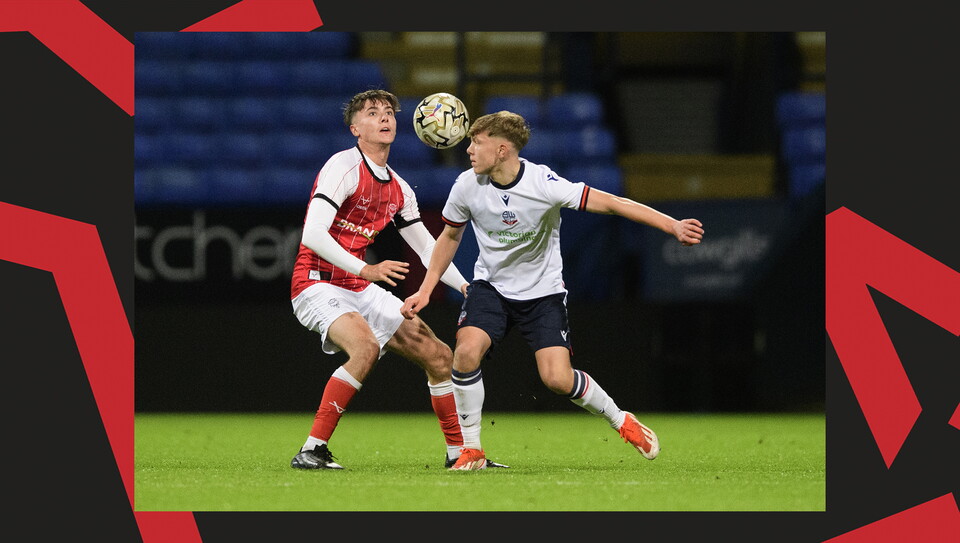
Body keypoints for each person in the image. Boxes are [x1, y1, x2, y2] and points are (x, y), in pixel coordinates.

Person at [400, 110, 705, 470]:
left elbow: (612, 203)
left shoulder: (543, 184)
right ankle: (472, 450)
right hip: (491, 287)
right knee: (465, 352)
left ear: (501, 150)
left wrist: (671, 225)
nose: (468, 150)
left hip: (542, 294)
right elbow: (449, 236)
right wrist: (425, 289)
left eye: (476, 143)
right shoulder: (467, 185)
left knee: (557, 380)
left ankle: (621, 419)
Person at [288, 89, 507, 470]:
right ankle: (312, 449)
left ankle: (460, 455)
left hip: (357, 286)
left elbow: (429, 250)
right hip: (316, 283)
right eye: (373, 113)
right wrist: (366, 270)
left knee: (440, 357)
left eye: (389, 112)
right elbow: (312, 235)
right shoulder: (342, 166)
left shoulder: (399, 189)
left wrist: (465, 287)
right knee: (366, 347)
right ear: (355, 128)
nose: (384, 117)